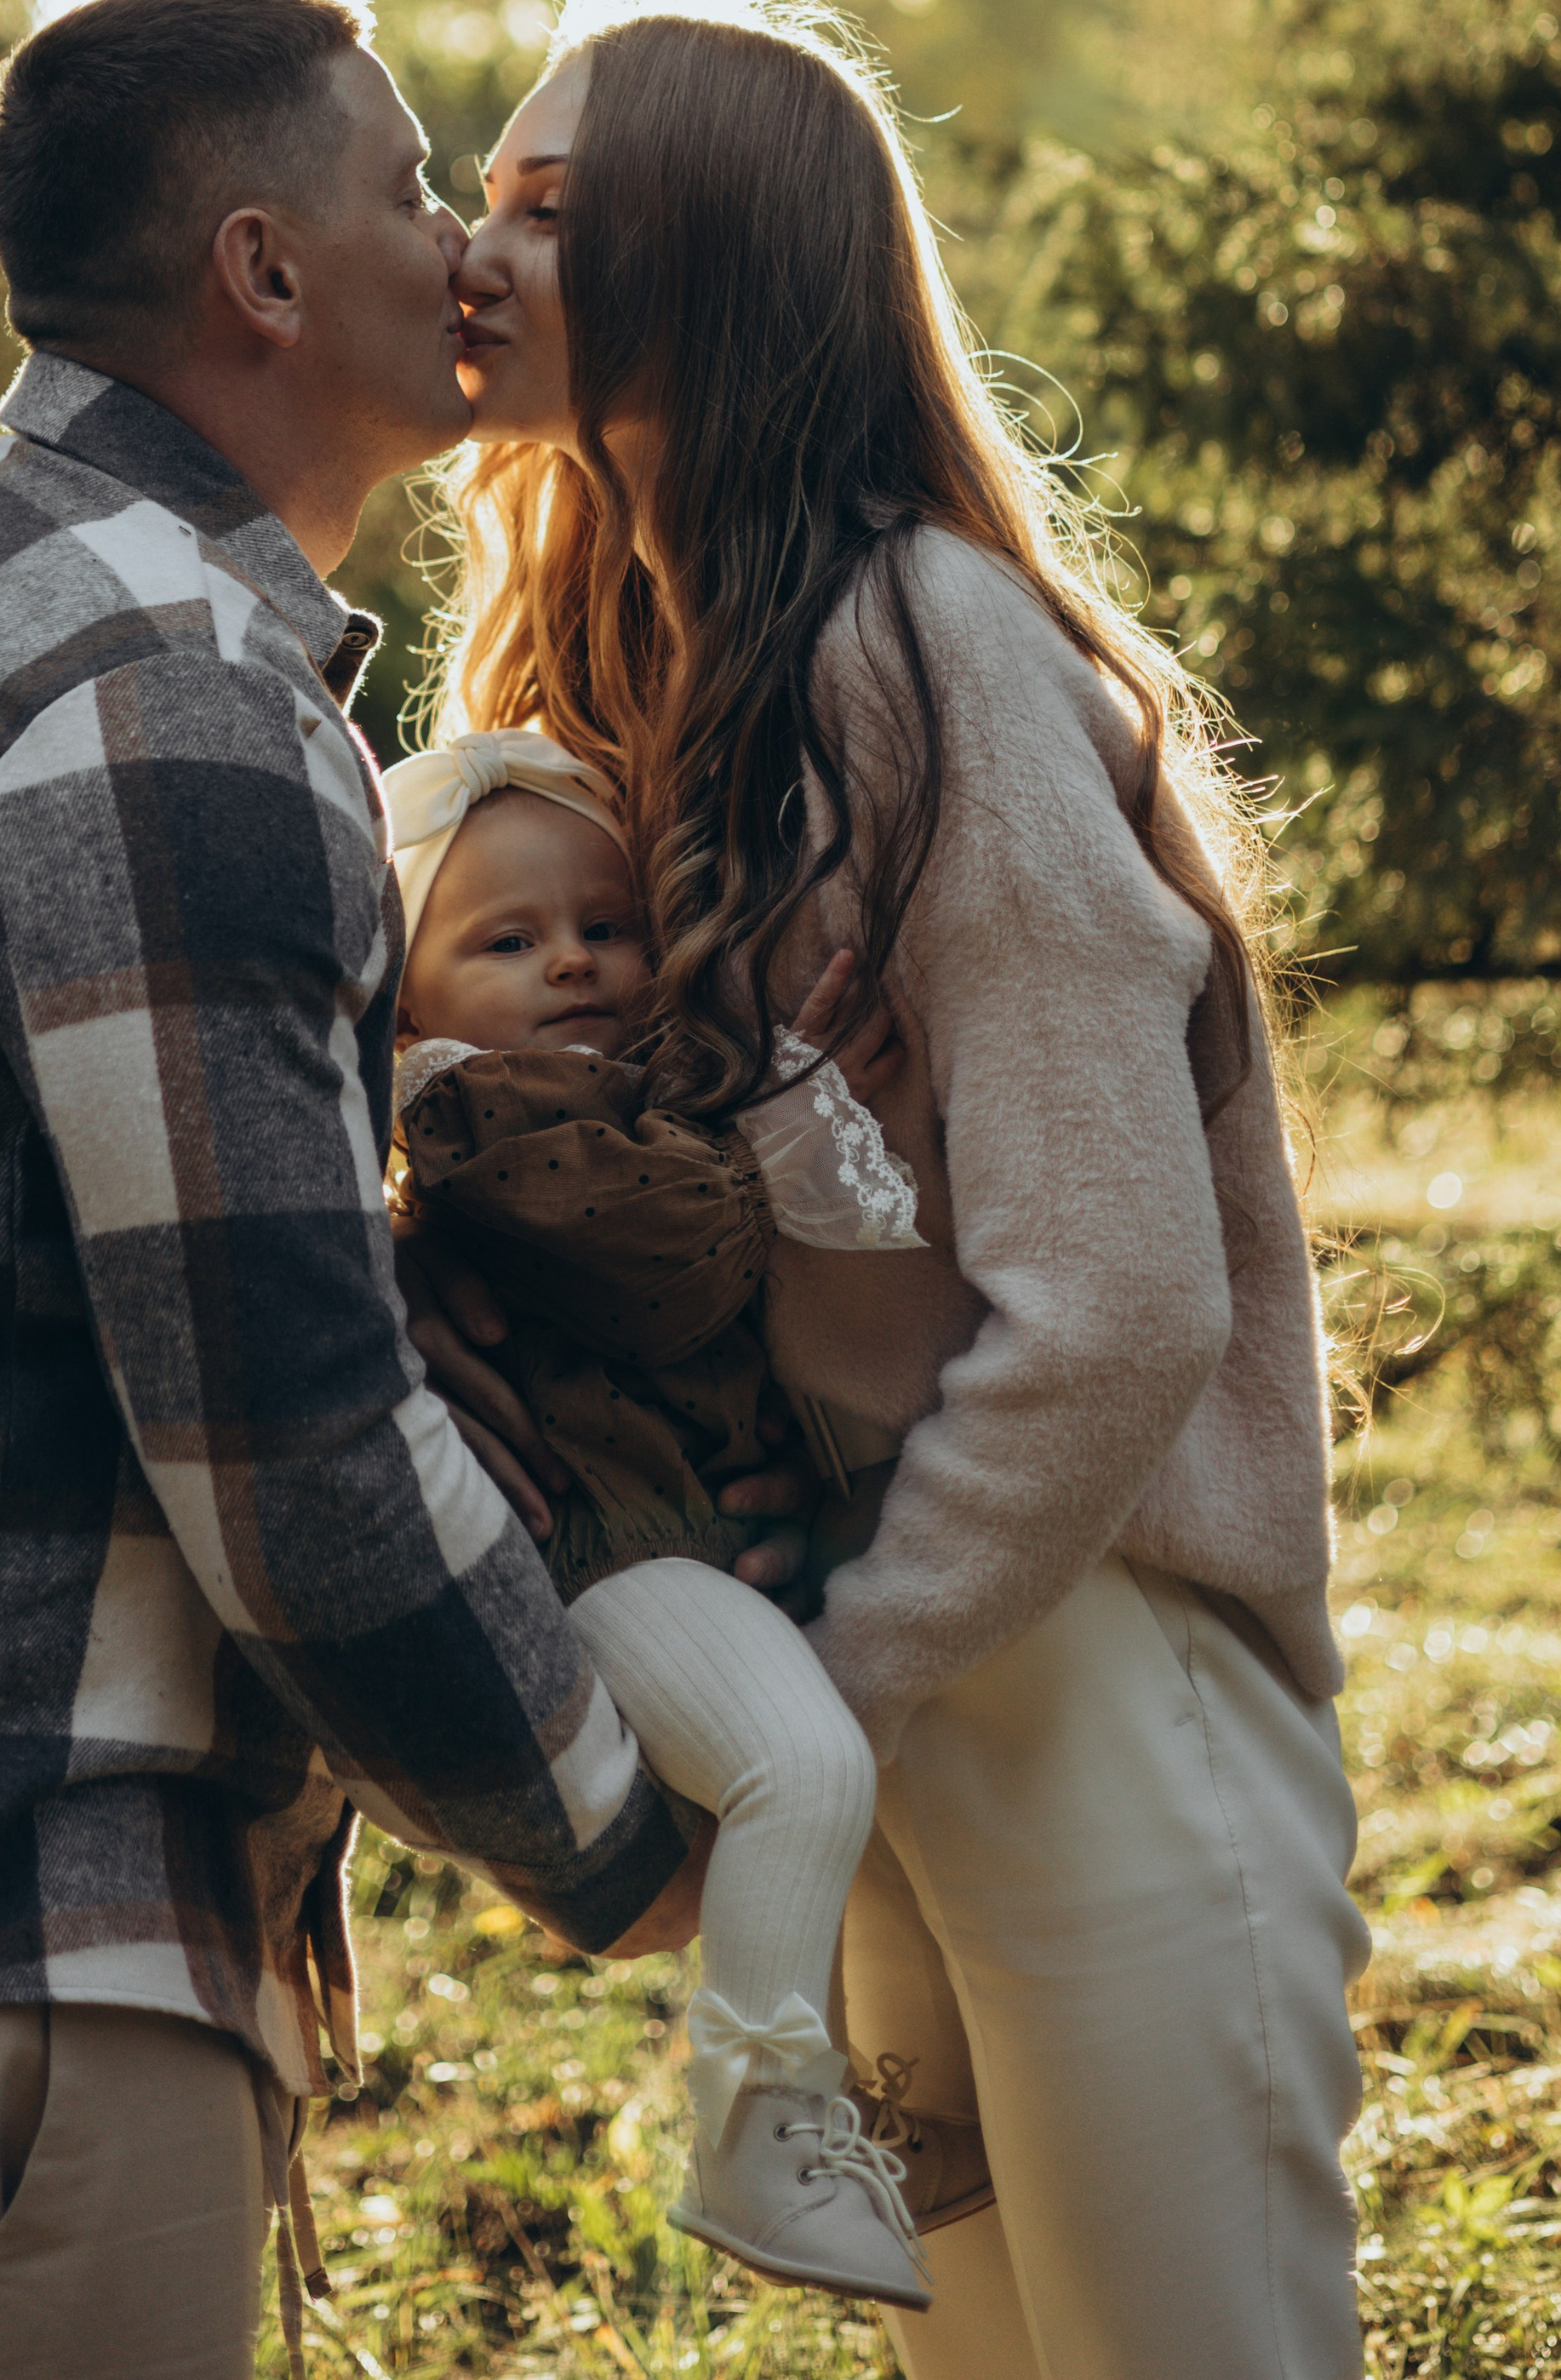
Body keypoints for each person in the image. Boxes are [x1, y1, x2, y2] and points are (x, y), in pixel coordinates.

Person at [0, 0, 729, 2380]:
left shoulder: (68, 596)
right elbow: (287, 1433)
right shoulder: (159, 681)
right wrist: (623, 1831)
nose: (457, 249)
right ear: (264, 274)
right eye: (409, 187)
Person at [416, 0, 1372, 2380]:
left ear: (715, 257)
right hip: (872, 1676)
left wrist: (840, 1681)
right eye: (484, 192)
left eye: (550, 203)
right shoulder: (612, 675)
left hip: (1083, 1656)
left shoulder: (926, 641)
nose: (478, 248)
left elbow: (1125, 1297)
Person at [384, 729, 944, 2307]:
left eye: (606, 925)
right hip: (604, 1542)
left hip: (685, 1523)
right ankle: (758, 2129)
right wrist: (775, 1103)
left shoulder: (614, 1087)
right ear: (410, 997)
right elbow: (680, 1259)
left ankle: (847, 2095)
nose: (571, 960)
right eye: (506, 939)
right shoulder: (488, 1118)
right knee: (801, 1759)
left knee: (838, 1773)